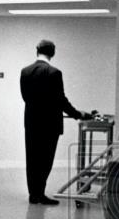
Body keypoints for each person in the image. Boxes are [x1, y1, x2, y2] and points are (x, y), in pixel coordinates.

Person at [20, 39, 95, 205]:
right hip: (49, 124)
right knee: (45, 160)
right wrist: (78, 114)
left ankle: (34, 195)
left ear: (36, 50)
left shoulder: (25, 71)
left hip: (31, 122)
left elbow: (25, 97)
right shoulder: (54, 73)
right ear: (52, 53)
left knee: (32, 159)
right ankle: (40, 193)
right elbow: (60, 101)